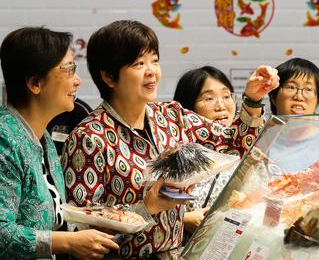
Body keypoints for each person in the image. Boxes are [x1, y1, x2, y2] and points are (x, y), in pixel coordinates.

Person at [61, 20, 279, 258]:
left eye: (154, 60)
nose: (152, 70)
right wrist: (146, 208)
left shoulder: (171, 115)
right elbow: (78, 229)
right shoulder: (89, 137)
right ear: (109, 77)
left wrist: (252, 100)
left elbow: (235, 144)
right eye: (138, 63)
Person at [0, 27, 120, 259]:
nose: (77, 81)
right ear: (35, 83)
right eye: (68, 70)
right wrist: (68, 242)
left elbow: (54, 217)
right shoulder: (4, 138)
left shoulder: (41, 135)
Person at [172, 66, 240, 233]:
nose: (221, 106)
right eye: (209, 99)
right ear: (187, 108)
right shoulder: (174, 152)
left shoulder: (243, 144)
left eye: (226, 96)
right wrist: (183, 220)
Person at [267, 58, 319, 174]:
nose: (299, 96)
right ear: (273, 97)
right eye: (291, 87)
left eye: (308, 89)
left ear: (317, 100)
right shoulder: (261, 143)